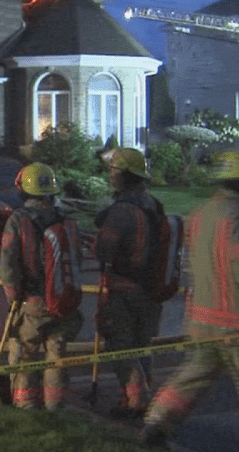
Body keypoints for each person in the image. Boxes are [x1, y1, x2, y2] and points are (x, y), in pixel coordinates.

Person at [141, 150, 239, 452]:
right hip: (237, 324)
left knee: (191, 378)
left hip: (202, 320)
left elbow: (208, 265)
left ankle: (156, 425)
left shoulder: (201, 214)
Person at [0, 162, 84, 411]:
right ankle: (55, 405)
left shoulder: (17, 220)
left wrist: (13, 300)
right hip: (62, 301)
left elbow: (8, 264)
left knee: (24, 354)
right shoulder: (66, 220)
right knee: (57, 355)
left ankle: (26, 405)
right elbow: (77, 258)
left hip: (31, 302)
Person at [95, 147, 165, 419]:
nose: (110, 175)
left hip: (124, 289)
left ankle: (136, 400)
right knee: (141, 345)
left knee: (120, 346)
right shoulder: (154, 205)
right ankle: (144, 398)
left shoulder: (122, 211)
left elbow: (104, 251)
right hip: (151, 290)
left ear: (124, 176)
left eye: (114, 170)